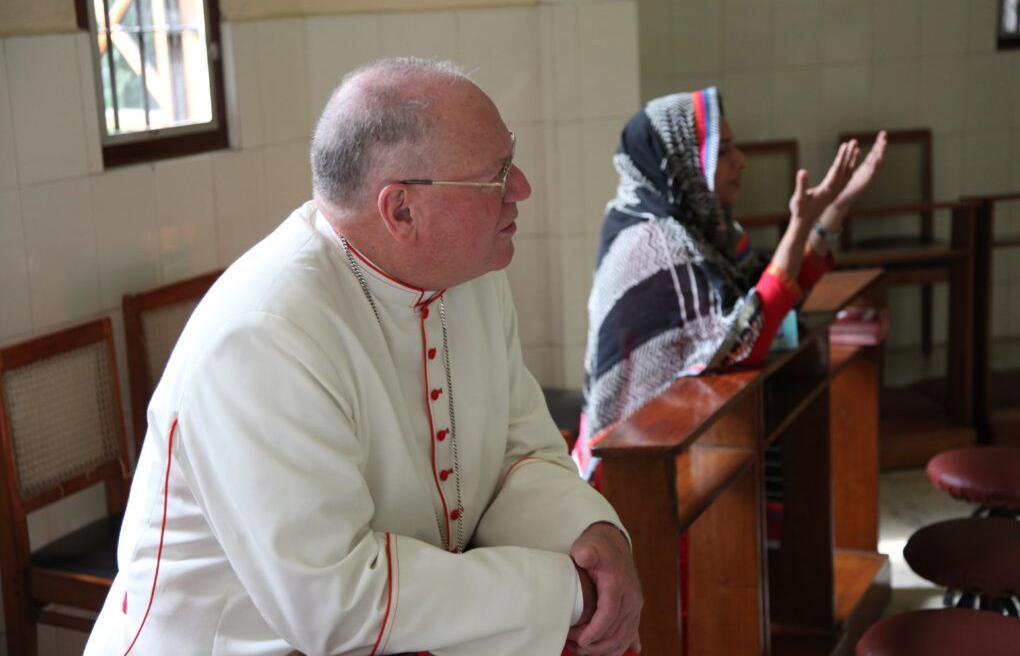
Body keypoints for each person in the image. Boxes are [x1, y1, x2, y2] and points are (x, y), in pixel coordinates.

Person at [85, 58, 641, 656]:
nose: (522, 188)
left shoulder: (470, 277)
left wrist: (590, 534)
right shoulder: (265, 334)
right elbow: (335, 601)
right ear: (400, 210)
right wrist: (566, 592)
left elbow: (517, 454)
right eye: (496, 176)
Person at [580, 87, 886, 469]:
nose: (741, 161)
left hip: (679, 441)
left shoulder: (702, 231)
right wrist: (800, 224)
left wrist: (835, 208)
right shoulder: (653, 242)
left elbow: (771, 298)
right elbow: (739, 343)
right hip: (631, 462)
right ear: (681, 163)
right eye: (722, 150)